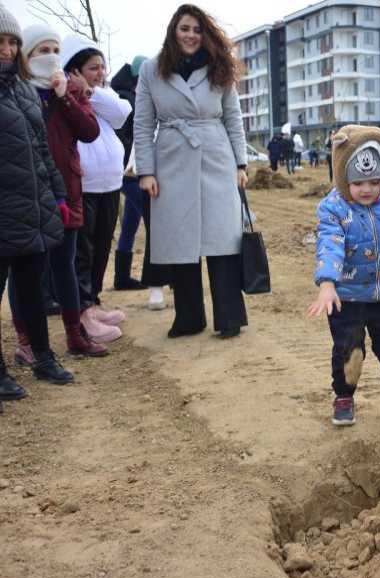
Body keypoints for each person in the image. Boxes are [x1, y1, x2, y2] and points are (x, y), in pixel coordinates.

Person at [134, 3, 250, 339]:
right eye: (185, 28)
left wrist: (241, 163)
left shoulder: (219, 67)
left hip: (217, 155)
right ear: (173, 31)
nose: (191, 35)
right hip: (171, 157)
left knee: (223, 238)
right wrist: (147, 170)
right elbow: (143, 123)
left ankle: (229, 317)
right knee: (179, 237)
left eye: (197, 30)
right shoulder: (152, 70)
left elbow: (233, 118)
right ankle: (188, 316)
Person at [10, 24, 108, 361]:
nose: (49, 57)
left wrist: (66, 95)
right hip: (27, 194)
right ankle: (27, 342)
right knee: (25, 271)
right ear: (27, 55)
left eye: (55, 50)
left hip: (68, 188)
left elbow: (90, 131)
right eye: (42, 51)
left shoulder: (70, 92)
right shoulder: (17, 91)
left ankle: (74, 333)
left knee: (64, 264)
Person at [308, 124, 380, 426]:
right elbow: (329, 246)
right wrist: (327, 284)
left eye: (374, 181)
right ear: (344, 179)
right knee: (348, 349)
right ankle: (344, 396)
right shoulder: (333, 209)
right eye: (358, 182)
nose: (367, 189)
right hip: (346, 298)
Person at [0, 4, 76, 404]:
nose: (8, 49)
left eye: (13, 42)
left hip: (31, 207)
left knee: (32, 288)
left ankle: (43, 357)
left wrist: (58, 195)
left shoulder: (25, 91)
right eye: (1, 41)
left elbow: (42, 151)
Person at [63, 34, 131, 338]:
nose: (101, 73)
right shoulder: (66, 98)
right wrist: (79, 92)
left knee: (103, 245)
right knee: (84, 251)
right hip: (84, 185)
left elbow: (122, 113)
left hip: (110, 184)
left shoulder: (98, 97)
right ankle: (82, 311)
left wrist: (91, 90)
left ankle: (93, 301)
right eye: (93, 68)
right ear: (74, 70)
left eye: (102, 67)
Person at [109, 55, 150, 291]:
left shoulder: (126, 93)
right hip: (129, 173)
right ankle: (155, 277)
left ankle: (121, 278)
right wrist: (131, 163)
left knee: (131, 222)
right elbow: (124, 136)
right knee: (152, 219)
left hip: (126, 171)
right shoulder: (128, 97)